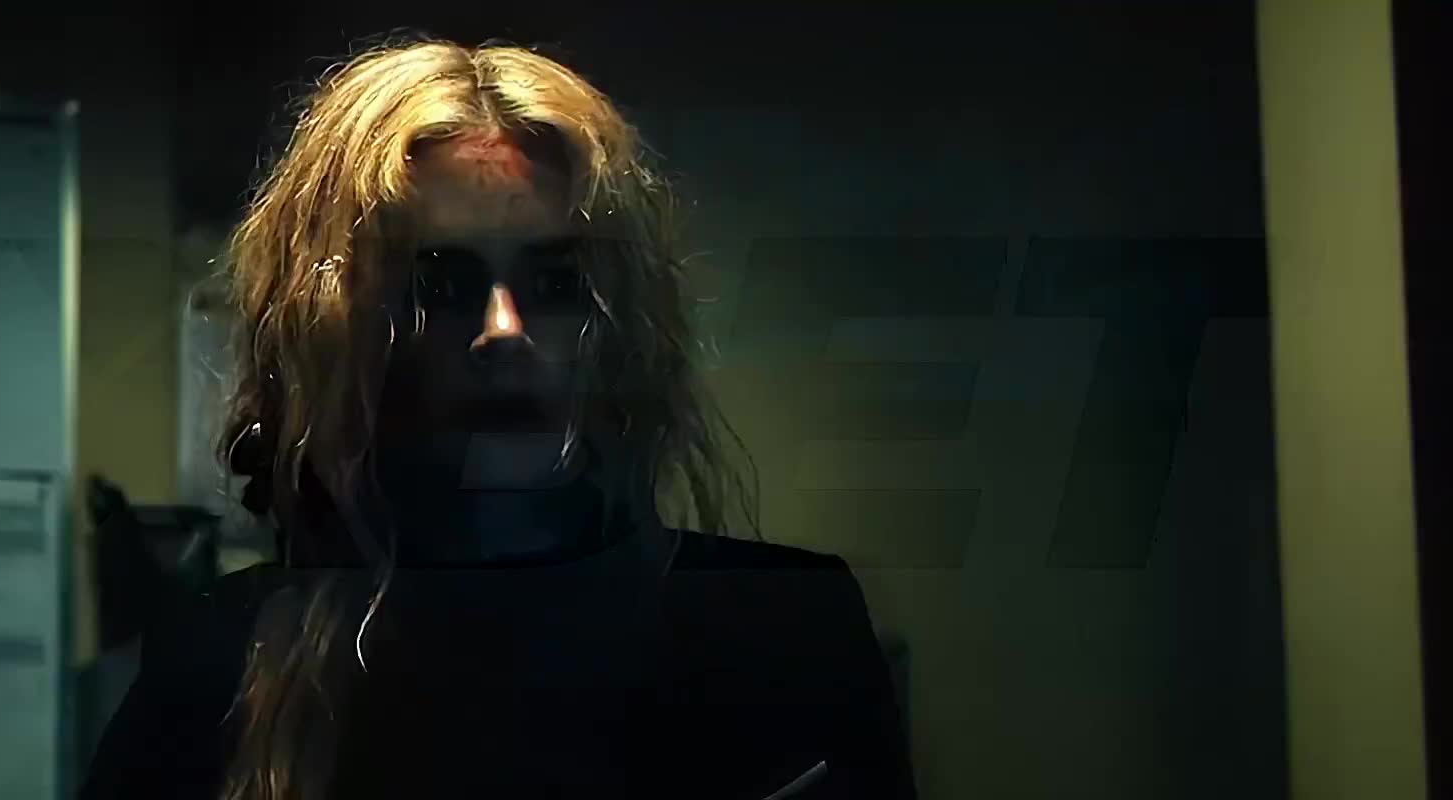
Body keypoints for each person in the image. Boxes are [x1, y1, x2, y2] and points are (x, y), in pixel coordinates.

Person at [82, 36, 917, 800]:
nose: (503, 331)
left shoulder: (779, 632)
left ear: (617, 319)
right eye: (442, 285)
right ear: (342, 324)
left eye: (554, 284)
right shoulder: (226, 659)